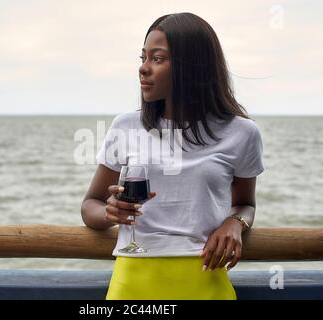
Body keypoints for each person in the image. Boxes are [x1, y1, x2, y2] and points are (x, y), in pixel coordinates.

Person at [81, 12, 264, 300]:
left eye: (157, 59)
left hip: (206, 282)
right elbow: (89, 206)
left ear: (192, 66)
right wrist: (109, 212)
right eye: (142, 58)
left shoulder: (242, 133)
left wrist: (234, 224)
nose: (143, 69)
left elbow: (245, 205)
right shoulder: (125, 126)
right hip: (132, 285)